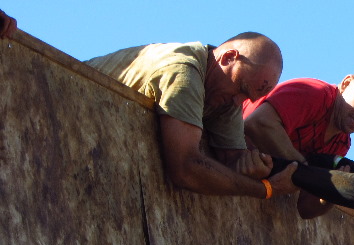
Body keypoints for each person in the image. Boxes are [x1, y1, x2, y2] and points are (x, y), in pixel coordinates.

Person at [87, 33, 284, 198]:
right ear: (228, 58)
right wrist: (265, 189)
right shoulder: (183, 72)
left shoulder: (226, 94)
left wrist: (254, 167)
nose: (238, 103)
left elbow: (231, 159)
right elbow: (185, 169)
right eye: (241, 89)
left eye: (247, 98)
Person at [243, 65, 354, 219]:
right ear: (345, 84)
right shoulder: (315, 93)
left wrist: (333, 192)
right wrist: (306, 170)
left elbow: (304, 208)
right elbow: (257, 123)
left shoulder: (341, 143)